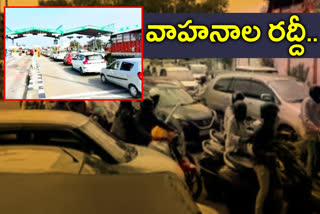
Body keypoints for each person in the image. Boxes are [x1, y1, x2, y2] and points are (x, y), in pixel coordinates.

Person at [225, 101, 276, 214]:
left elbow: (245, 131)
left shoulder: (265, 127)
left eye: (245, 111)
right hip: (235, 147)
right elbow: (231, 135)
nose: (244, 114)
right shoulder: (232, 120)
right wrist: (244, 139)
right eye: (242, 112)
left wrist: (250, 134)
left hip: (245, 143)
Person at [299, 85, 320, 177]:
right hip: (309, 132)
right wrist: (315, 128)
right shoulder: (307, 102)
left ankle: (314, 171)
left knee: (316, 153)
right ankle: (309, 175)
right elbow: (305, 118)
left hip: (317, 132)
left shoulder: (318, 102)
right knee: (311, 155)